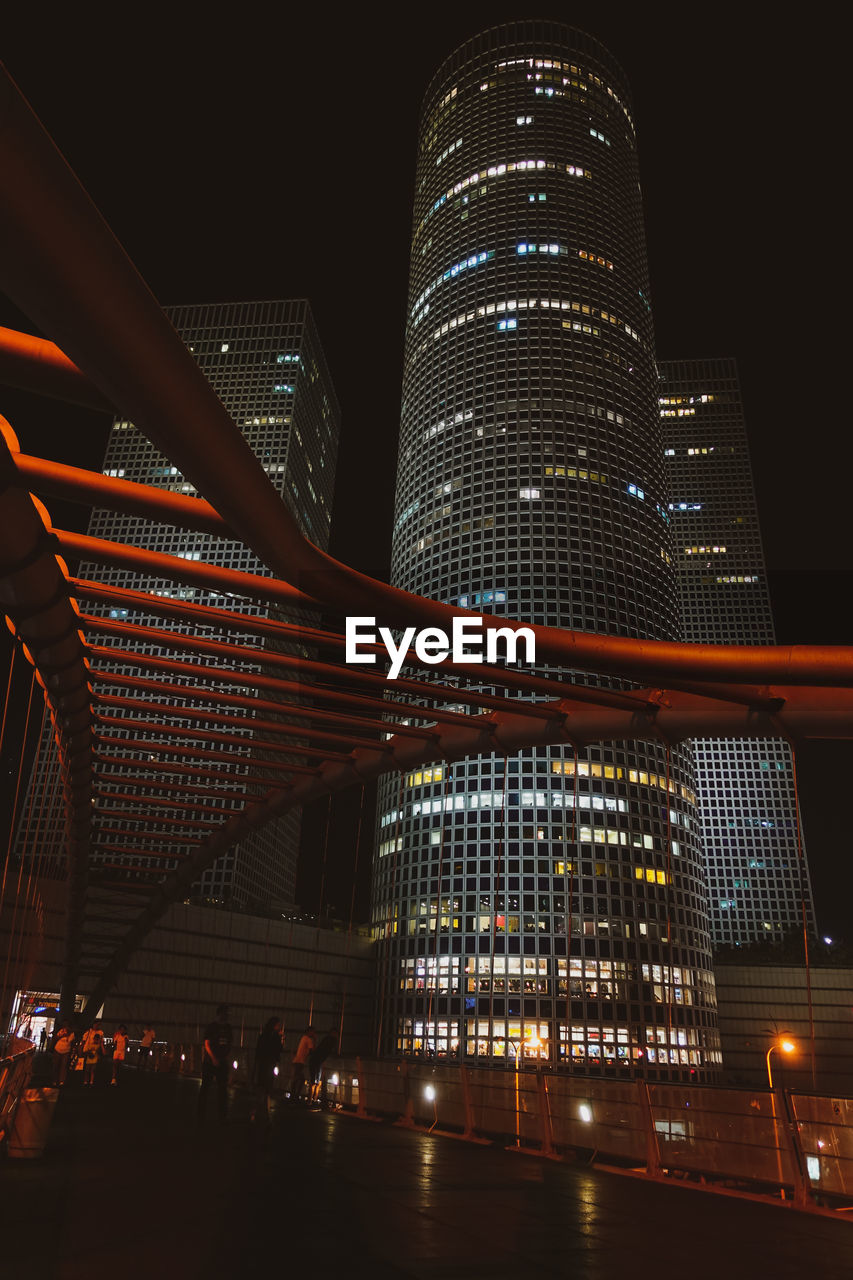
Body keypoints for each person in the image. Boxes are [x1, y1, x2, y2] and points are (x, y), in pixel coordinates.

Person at [198, 1005, 233, 1123]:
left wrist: (225, 1057)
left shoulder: (228, 1028)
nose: (227, 1016)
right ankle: (200, 1114)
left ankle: (222, 1115)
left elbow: (230, 1044)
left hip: (222, 1062)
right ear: (220, 1014)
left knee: (222, 1089)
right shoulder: (211, 1027)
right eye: (225, 1013)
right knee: (205, 1087)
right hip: (210, 1062)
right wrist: (213, 1058)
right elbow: (206, 1043)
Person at [252, 1016, 283, 1123]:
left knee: (261, 1089)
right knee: (267, 1089)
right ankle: (266, 1114)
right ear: (275, 1025)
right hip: (270, 1065)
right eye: (278, 1025)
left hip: (263, 1065)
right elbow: (278, 1050)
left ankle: (255, 1112)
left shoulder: (263, 1035)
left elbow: (258, 1051)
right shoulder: (276, 1037)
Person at [308, 1029, 337, 1107]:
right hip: (319, 1061)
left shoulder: (325, 1039)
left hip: (315, 1060)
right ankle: (314, 1099)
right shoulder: (331, 1041)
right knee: (317, 1081)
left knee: (313, 1080)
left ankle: (310, 1100)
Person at [288, 1025, 317, 1104]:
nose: (314, 1033)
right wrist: (315, 1040)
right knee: (299, 1078)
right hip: (299, 1062)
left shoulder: (303, 1037)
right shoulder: (308, 1039)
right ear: (309, 1032)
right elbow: (312, 1050)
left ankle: (294, 1095)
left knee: (297, 1078)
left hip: (297, 1061)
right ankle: (294, 1096)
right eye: (313, 1032)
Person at [80, 1020, 105, 1086]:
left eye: (98, 1024)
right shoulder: (88, 1032)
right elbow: (83, 1041)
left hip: (95, 1051)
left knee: (93, 1068)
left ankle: (91, 1081)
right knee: (86, 1068)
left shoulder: (100, 1032)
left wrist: (102, 1050)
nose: (97, 1026)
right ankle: (86, 1080)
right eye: (96, 1024)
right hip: (87, 1050)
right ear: (93, 1024)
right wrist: (81, 1048)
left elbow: (102, 1042)